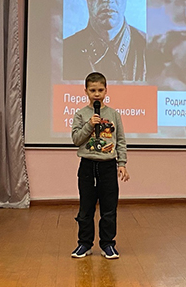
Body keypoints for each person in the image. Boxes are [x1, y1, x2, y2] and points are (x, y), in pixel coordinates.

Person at [70, 72, 130, 259]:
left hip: (108, 166)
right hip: (87, 166)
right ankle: (84, 244)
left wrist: (122, 163)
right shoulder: (81, 114)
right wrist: (89, 125)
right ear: (86, 91)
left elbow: (120, 141)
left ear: (106, 91)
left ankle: (108, 244)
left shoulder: (114, 114)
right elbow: (76, 139)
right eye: (92, 90)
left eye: (100, 90)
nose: (96, 94)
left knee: (109, 209)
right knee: (86, 209)